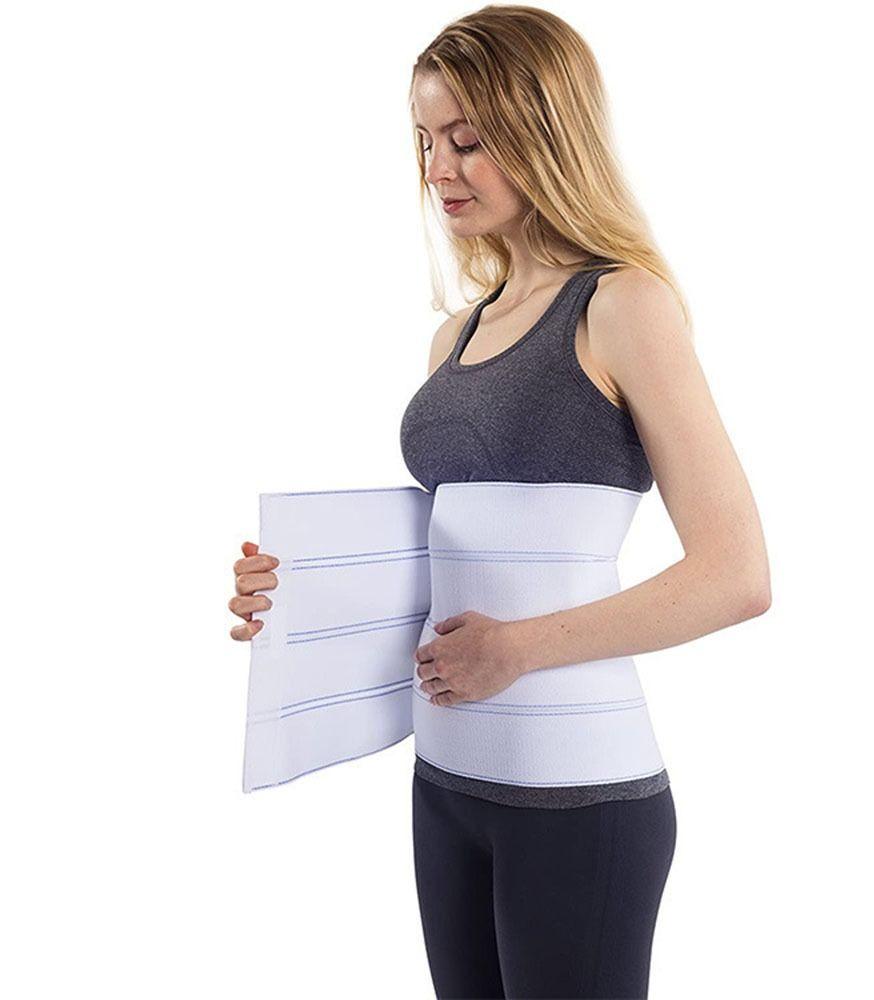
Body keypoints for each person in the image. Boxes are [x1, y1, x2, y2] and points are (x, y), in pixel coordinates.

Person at [229, 5, 771, 997]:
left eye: (468, 140)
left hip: (579, 792)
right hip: (445, 784)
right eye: (425, 141)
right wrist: (298, 593)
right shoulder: (457, 335)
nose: (439, 168)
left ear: (546, 133)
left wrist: (518, 648)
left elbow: (735, 576)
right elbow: (454, 557)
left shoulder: (623, 306)